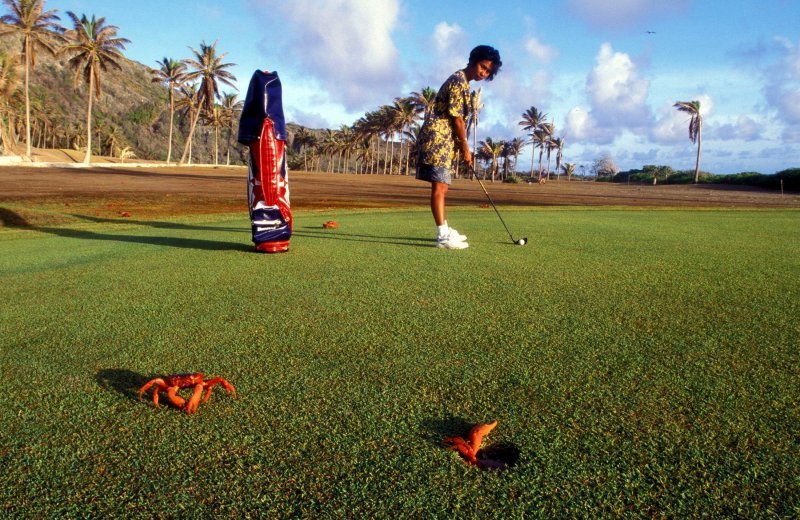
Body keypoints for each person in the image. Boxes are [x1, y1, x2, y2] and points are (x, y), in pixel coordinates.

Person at [416, 45, 502, 249]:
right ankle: (442, 236)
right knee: (439, 187)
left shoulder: (463, 83)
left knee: (443, 186)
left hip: (444, 141)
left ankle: (444, 228)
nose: (484, 73)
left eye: (488, 71)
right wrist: (465, 147)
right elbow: (457, 120)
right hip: (438, 140)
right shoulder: (457, 82)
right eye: (482, 67)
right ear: (473, 61)